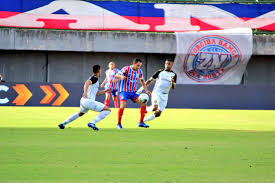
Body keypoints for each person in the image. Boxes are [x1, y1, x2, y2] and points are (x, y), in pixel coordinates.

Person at [58, 65, 111, 131]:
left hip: (83, 101)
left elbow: (97, 93)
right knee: (107, 110)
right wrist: (85, 92)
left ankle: (63, 124)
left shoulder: (94, 79)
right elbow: (87, 83)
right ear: (99, 71)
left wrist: (105, 91)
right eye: (100, 70)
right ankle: (92, 123)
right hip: (88, 101)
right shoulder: (95, 78)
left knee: (80, 113)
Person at [115, 58, 151, 129]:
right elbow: (117, 75)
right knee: (122, 106)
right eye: (137, 65)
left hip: (133, 92)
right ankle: (118, 124)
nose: (139, 67)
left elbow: (142, 81)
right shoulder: (126, 68)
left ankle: (141, 122)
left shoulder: (139, 71)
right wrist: (121, 76)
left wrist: (146, 90)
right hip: (124, 92)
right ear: (134, 64)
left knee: (144, 103)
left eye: (140, 66)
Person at [137, 58, 177, 123]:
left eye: (169, 64)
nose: (167, 65)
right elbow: (149, 80)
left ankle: (142, 120)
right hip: (157, 92)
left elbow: (173, 87)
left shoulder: (174, 75)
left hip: (165, 95)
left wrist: (172, 82)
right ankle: (144, 110)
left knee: (158, 113)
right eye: (166, 63)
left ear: (172, 65)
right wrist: (141, 89)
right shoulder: (160, 72)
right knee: (155, 107)